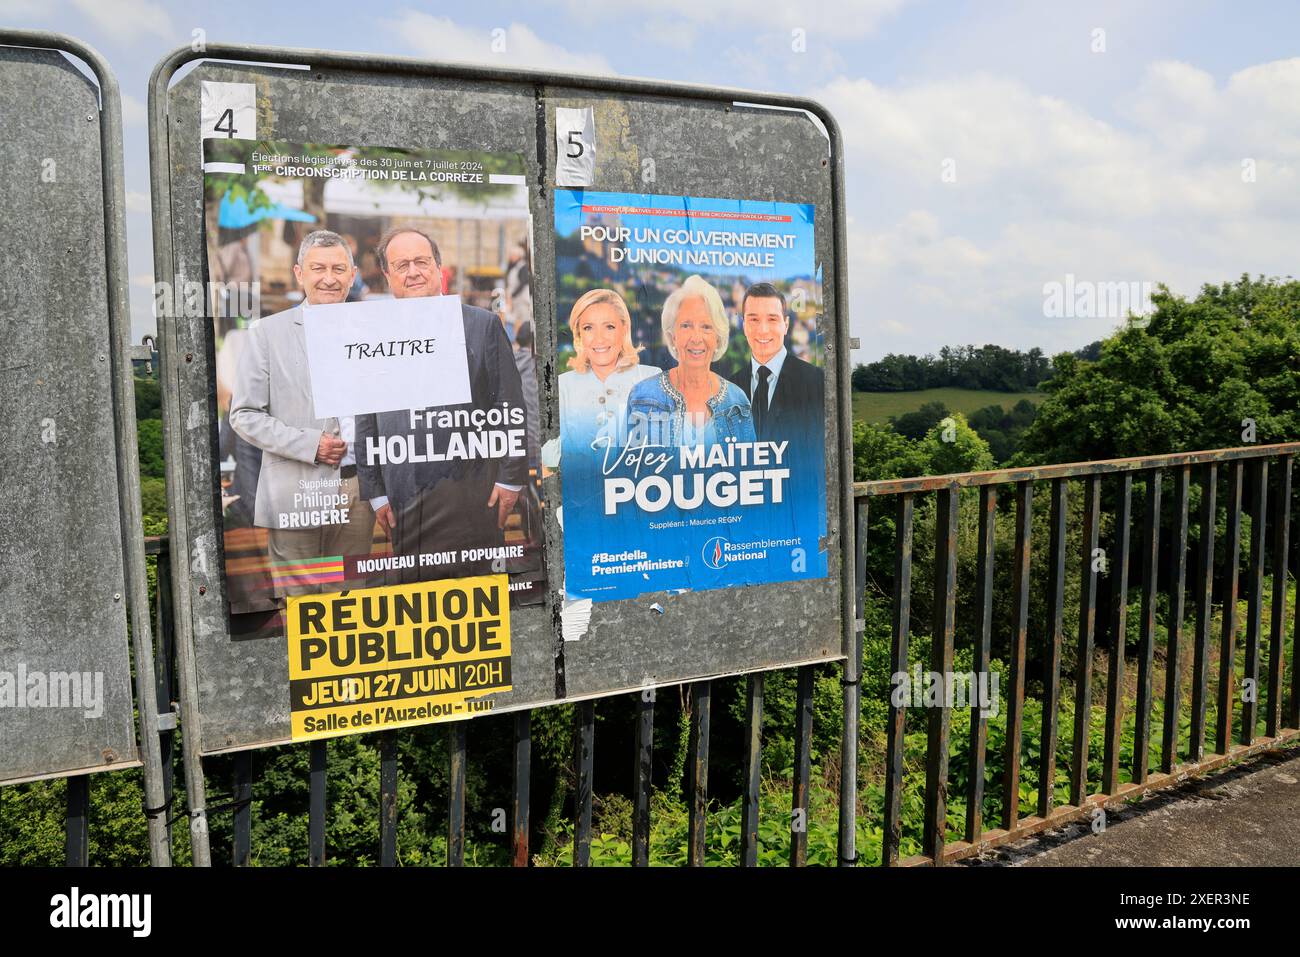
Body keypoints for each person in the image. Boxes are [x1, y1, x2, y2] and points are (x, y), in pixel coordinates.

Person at [355, 227, 529, 582]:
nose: (413, 271)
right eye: (401, 265)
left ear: (438, 267)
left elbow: (510, 405)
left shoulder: (482, 326)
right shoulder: (372, 333)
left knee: (481, 600)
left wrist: (511, 480)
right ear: (387, 276)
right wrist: (375, 493)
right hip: (403, 495)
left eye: (421, 261)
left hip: (473, 492)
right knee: (417, 604)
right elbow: (366, 421)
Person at [228, 229, 377, 598]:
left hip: (358, 491)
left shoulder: (374, 331)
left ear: (353, 273)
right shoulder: (267, 333)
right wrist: (310, 444)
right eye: (318, 268)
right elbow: (244, 414)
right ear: (299, 274)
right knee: (301, 607)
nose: (329, 278)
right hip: (298, 489)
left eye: (339, 268)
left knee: (352, 600)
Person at [626, 275, 755, 448]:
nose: (696, 338)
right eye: (686, 325)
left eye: (706, 327)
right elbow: (629, 471)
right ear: (672, 338)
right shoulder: (642, 397)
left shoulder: (737, 402)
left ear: (718, 338)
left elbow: (750, 471)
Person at [559, 288, 658, 452]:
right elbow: (549, 464)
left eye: (609, 327)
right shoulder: (561, 386)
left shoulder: (652, 378)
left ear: (624, 330)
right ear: (578, 335)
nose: (599, 338)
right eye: (588, 328)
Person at [727, 281, 824, 443]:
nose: (763, 330)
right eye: (754, 320)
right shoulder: (730, 389)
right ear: (744, 326)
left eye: (772, 319)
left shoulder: (816, 381)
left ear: (785, 325)